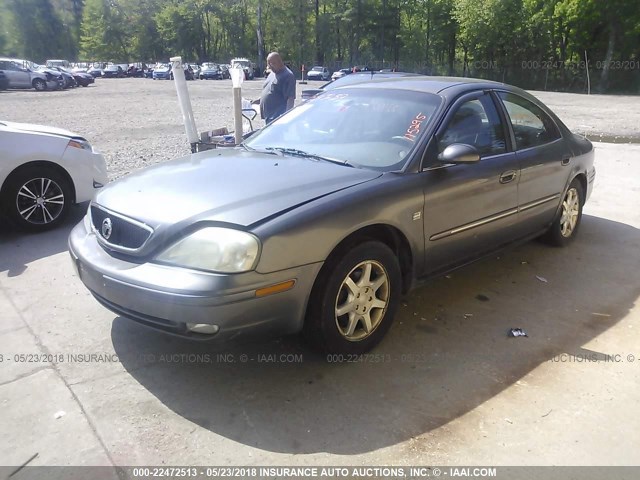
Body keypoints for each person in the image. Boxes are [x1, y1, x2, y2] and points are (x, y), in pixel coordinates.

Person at [260, 52, 296, 124]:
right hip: (268, 118)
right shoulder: (273, 73)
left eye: (272, 64)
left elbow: (290, 99)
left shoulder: (288, 76)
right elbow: (271, 90)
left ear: (279, 62)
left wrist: (286, 119)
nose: (270, 67)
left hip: (277, 119)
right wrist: (258, 100)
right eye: (268, 64)